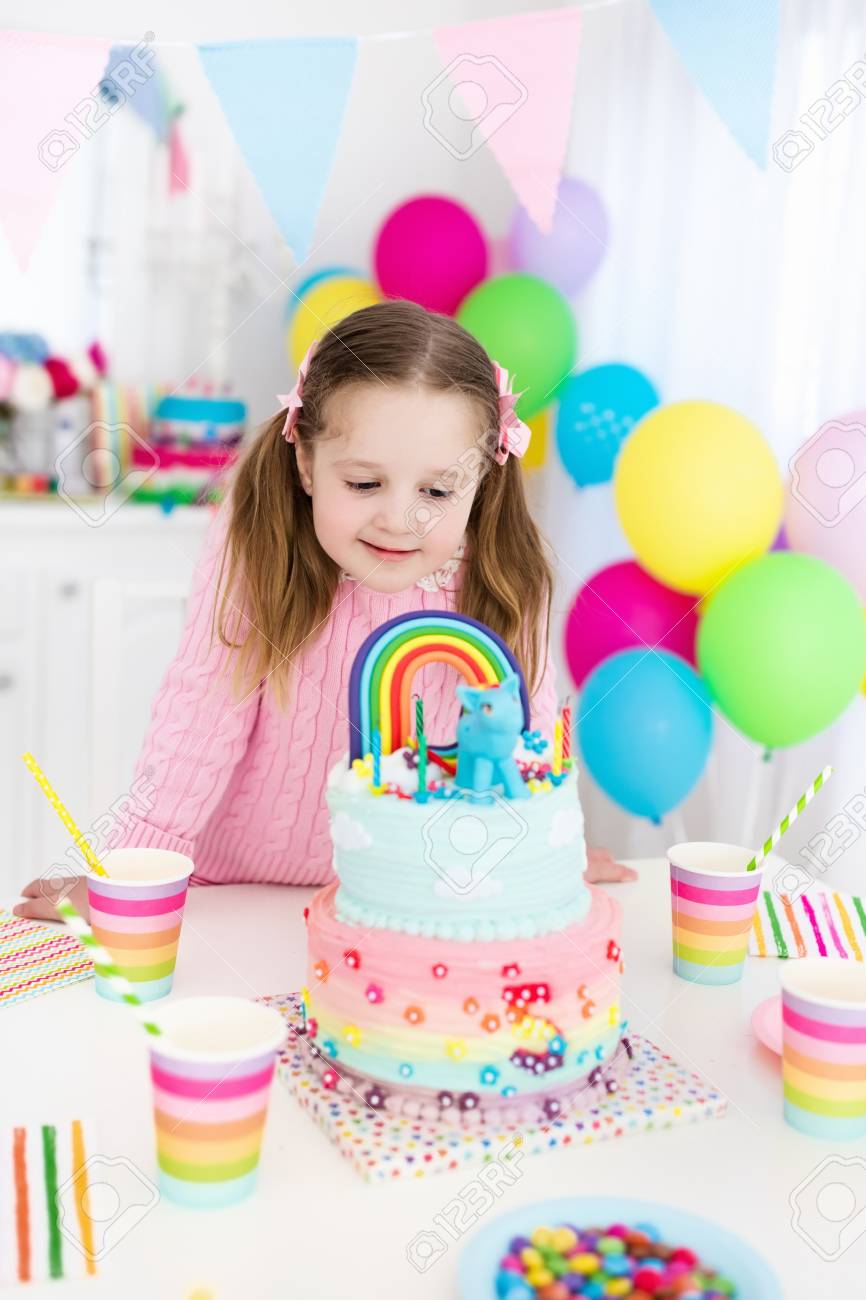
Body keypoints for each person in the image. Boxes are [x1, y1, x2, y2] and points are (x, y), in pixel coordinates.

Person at [15, 301, 635, 923]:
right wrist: (136, 879)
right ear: (307, 462)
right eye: (365, 484)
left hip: (406, 896)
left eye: (438, 491)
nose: (399, 518)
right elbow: (201, 710)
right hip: (234, 894)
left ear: (482, 479)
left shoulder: (503, 571)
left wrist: (550, 849)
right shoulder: (257, 540)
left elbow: (525, 740)